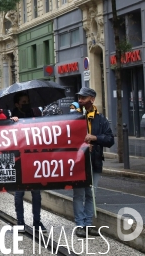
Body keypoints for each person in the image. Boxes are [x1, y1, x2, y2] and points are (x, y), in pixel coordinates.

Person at [73, 87, 114, 238]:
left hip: (95, 162)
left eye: (83, 98)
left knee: (91, 194)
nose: (80, 100)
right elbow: (68, 139)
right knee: (78, 195)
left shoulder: (101, 119)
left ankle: (88, 224)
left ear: (92, 99)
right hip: (78, 163)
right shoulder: (75, 117)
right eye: (79, 97)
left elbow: (110, 140)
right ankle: (80, 225)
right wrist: (83, 144)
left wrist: (95, 139)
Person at [11, 93, 46, 234]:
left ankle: (37, 221)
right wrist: (12, 123)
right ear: (17, 104)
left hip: (33, 161)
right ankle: (20, 221)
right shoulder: (12, 119)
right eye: (24, 102)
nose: (26, 103)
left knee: (36, 194)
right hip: (19, 162)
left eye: (28, 101)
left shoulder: (34, 114)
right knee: (19, 194)